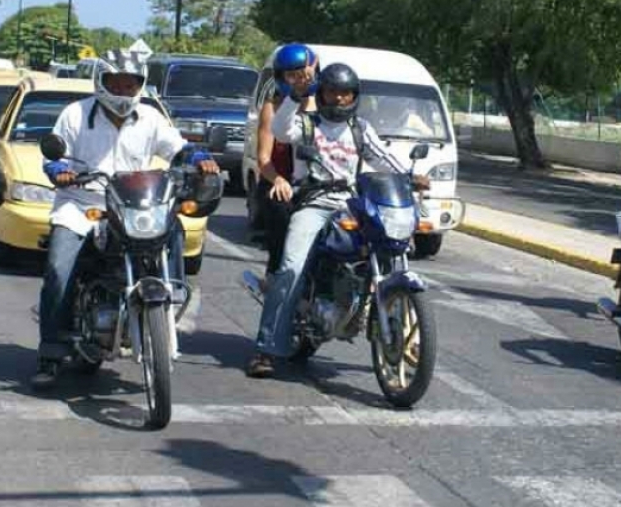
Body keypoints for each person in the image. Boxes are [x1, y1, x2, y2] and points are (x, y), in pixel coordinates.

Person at [31, 41, 220, 390]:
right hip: (81, 204)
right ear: (101, 81)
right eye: (115, 82)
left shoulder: (150, 117)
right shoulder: (75, 114)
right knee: (59, 268)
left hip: (132, 205)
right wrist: (59, 170)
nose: (122, 90)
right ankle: (51, 351)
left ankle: (173, 293)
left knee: (173, 226)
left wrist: (198, 158)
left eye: (130, 83)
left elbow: (178, 147)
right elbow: (54, 155)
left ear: (140, 83)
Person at [246, 63, 429, 378]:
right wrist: (296, 95)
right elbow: (279, 130)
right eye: (333, 92)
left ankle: (389, 322)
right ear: (323, 93)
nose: (340, 99)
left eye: (346, 93)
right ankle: (267, 349)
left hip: (352, 203)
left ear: (354, 96)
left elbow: (384, 159)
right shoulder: (306, 124)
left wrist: (411, 177)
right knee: (291, 267)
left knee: (387, 246)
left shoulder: (361, 129)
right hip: (314, 203)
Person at [254, 44, 319, 284]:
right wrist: (279, 180)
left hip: (316, 184)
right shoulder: (272, 107)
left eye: (302, 74)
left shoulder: (322, 105)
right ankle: (275, 275)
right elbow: (263, 159)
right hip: (279, 182)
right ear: (280, 77)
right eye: (291, 76)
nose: (297, 80)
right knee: (283, 213)